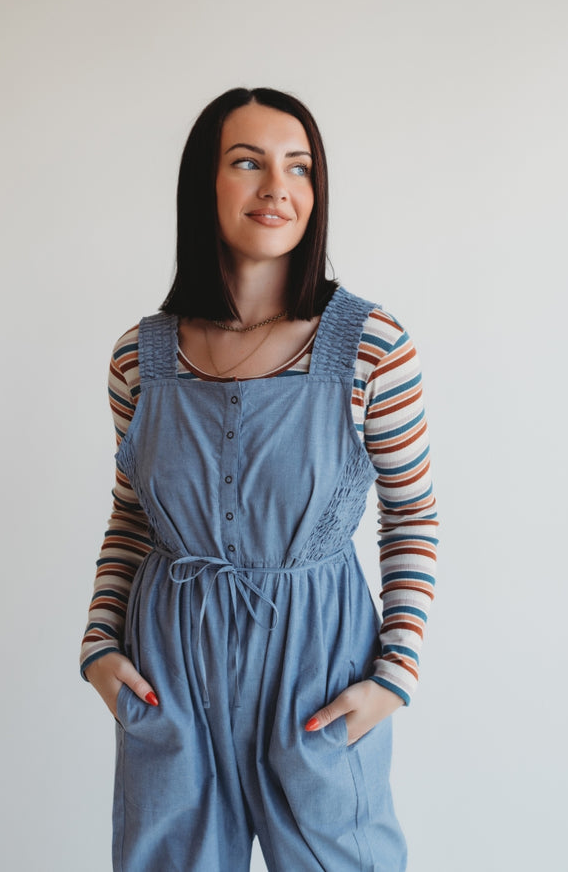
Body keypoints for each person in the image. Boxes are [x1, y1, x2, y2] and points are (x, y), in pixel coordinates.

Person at [80, 87, 438, 872]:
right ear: (203, 185)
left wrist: (393, 677)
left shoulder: (373, 347)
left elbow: (411, 518)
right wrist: (100, 644)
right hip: (170, 673)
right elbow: (132, 519)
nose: (279, 187)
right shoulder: (139, 359)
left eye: (300, 167)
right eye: (248, 162)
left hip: (321, 674)